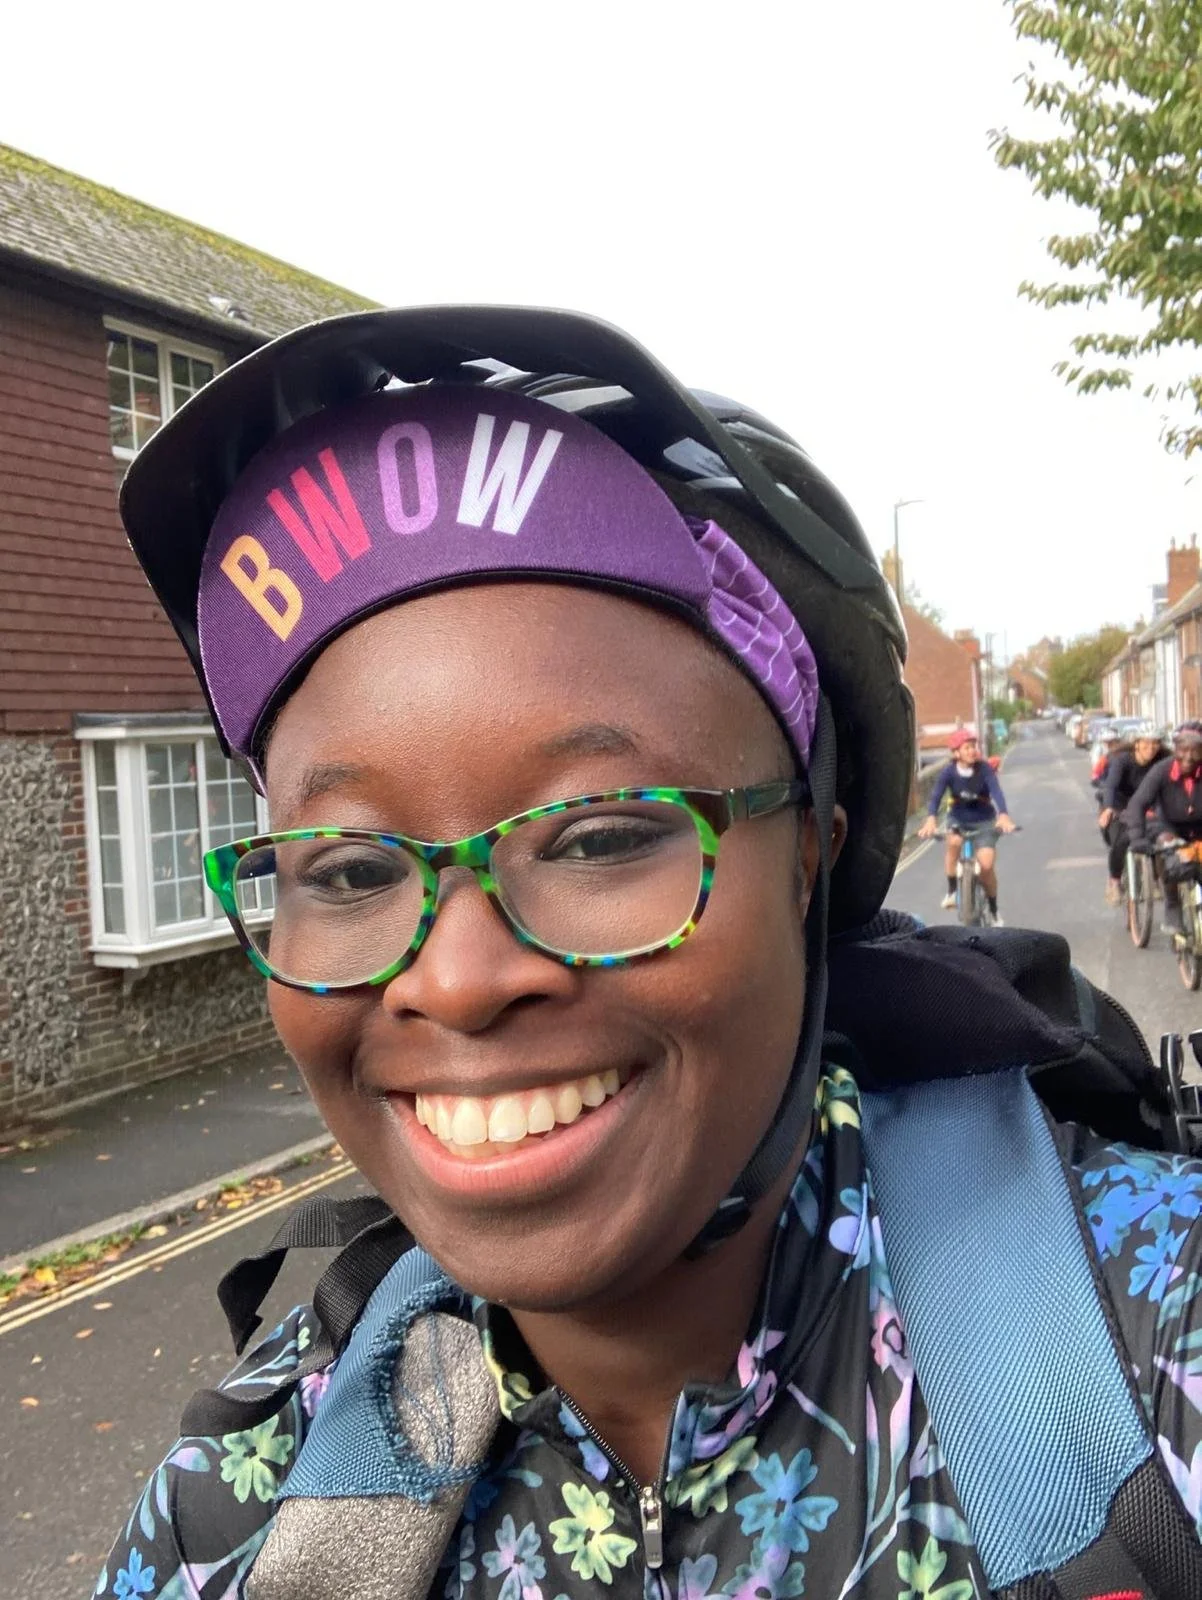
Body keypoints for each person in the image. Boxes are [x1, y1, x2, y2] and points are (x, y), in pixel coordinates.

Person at [95, 308, 1202, 1599]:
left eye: (599, 839)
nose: (451, 980)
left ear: (812, 854)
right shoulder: (240, 1515)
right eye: (347, 869)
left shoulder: (1139, 1350)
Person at [916, 730, 1017, 922]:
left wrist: (1003, 815)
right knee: (953, 843)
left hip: (984, 821)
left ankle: (994, 909)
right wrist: (931, 818)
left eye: (974, 747)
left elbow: (996, 791)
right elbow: (936, 795)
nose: (972, 751)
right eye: (967, 747)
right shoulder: (949, 772)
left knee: (986, 866)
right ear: (956, 753)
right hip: (958, 819)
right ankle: (953, 891)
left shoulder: (984, 769)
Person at [1124, 723, 1202, 934]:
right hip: (1168, 825)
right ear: (1175, 749)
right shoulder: (1162, 770)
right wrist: (1138, 838)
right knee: (1169, 850)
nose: (1188, 757)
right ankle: (1172, 904)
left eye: (1195, 752)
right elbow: (1137, 804)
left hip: (1199, 827)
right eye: (1183, 751)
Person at [1099, 732, 1169, 904]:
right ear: (1136, 744)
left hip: (1147, 806)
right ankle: (1114, 882)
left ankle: (1154, 878)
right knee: (1121, 840)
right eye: (1146, 743)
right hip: (1119, 807)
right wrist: (1108, 808)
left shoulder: (1161, 762)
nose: (1151, 748)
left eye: (1155, 744)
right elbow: (1111, 785)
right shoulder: (1122, 761)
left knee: (1160, 835)